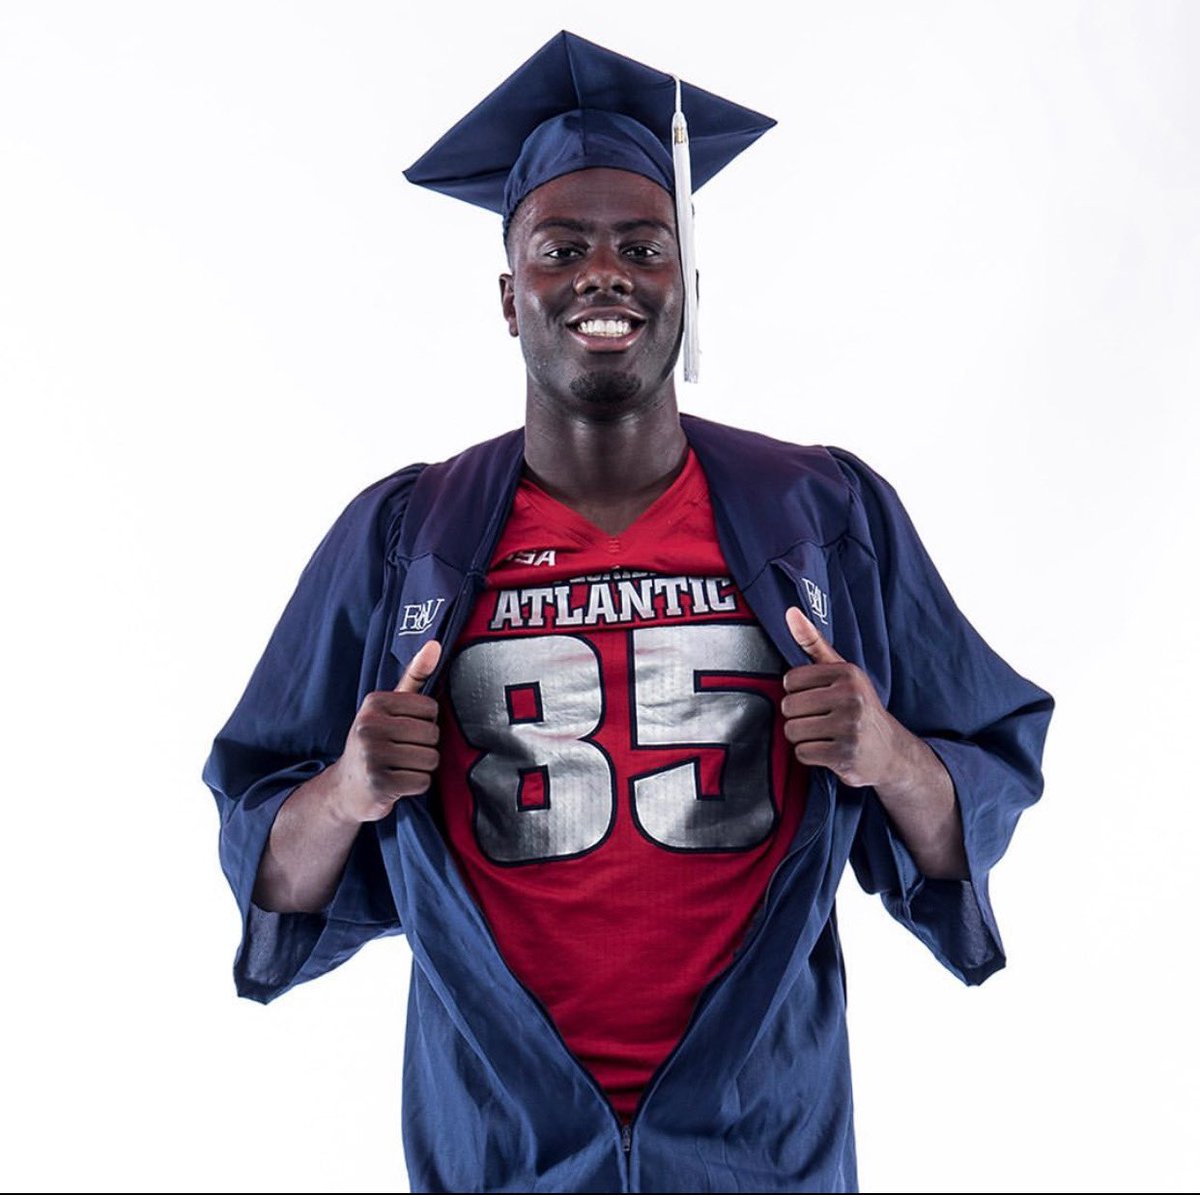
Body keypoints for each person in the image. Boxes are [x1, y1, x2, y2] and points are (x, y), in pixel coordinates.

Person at [203, 31, 1053, 1194]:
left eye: (644, 246)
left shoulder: (818, 512)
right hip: (500, 1141)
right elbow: (270, 879)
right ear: (512, 296)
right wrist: (347, 792)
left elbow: (972, 822)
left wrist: (889, 754)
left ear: (686, 286)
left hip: (763, 1141)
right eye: (561, 248)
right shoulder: (409, 539)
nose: (604, 272)